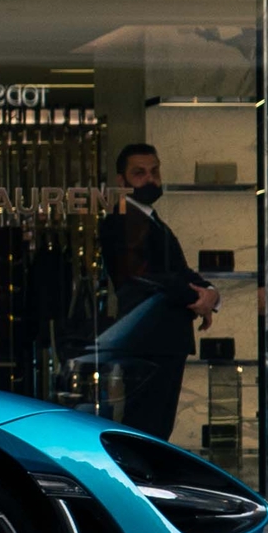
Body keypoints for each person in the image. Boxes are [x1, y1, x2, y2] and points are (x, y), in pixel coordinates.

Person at [96, 142, 220, 442]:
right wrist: (198, 298)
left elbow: (178, 272)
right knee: (147, 428)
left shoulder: (151, 221)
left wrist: (211, 294)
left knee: (156, 427)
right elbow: (143, 278)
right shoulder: (120, 221)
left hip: (161, 338)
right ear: (121, 181)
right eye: (139, 173)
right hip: (149, 338)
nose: (150, 179)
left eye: (154, 171)